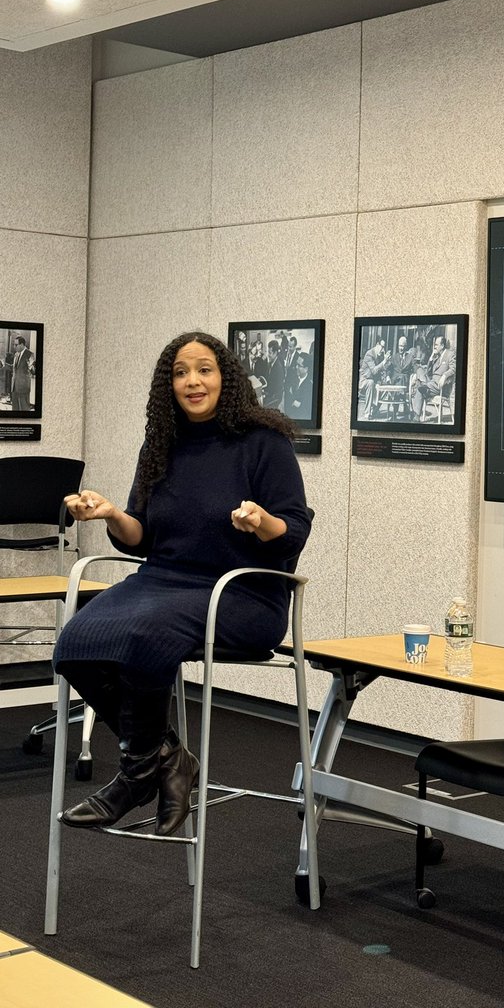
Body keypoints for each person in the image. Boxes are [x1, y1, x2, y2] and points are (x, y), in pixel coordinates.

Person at [52, 331, 313, 834]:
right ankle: (169, 761)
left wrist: (261, 521)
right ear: (167, 385)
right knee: (77, 641)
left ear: (226, 378)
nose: (192, 381)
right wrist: (110, 514)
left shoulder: (264, 444)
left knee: (145, 635)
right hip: (163, 581)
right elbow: (142, 537)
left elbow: (292, 533)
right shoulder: (161, 445)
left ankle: (134, 775)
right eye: (180, 372)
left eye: (204, 369)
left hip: (242, 593)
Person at [410, 335, 456, 419]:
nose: (434, 347)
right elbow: (428, 372)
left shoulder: (450, 354)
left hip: (441, 385)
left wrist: (444, 376)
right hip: (431, 383)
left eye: (436, 345)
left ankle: (416, 416)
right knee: (419, 370)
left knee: (420, 389)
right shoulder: (436, 357)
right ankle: (422, 384)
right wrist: (431, 358)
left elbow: (453, 369)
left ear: (442, 346)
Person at [357, 336, 391, 420]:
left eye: (384, 347)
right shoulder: (369, 354)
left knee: (385, 387)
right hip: (364, 381)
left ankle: (374, 410)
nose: (383, 350)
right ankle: (367, 413)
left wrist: (383, 379)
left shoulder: (379, 355)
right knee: (371, 383)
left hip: (373, 380)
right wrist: (384, 361)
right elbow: (374, 371)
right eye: (382, 347)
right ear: (377, 344)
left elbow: (381, 371)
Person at [10, 335, 34, 413]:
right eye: (14, 344)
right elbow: (15, 369)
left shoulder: (29, 354)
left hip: (23, 388)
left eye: (16, 345)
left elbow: (33, 371)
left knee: (24, 411)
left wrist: (31, 366)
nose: (14, 346)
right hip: (14, 388)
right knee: (15, 411)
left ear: (22, 344)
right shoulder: (16, 354)